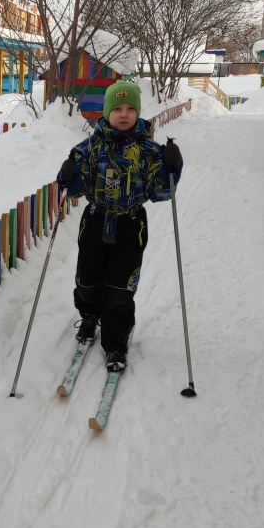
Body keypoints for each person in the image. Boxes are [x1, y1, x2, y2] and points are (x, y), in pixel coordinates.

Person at [57, 80, 183, 372]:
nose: (124, 114)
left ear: (137, 113)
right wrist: (68, 177)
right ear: (106, 112)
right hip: (96, 221)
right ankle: (89, 314)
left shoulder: (150, 151)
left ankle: (115, 343)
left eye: (130, 109)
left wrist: (170, 168)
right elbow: (75, 189)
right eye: (117, 109)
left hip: (130, 225)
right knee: (88, 282)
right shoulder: (88, 148)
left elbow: (159, 193)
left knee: (119, 290)